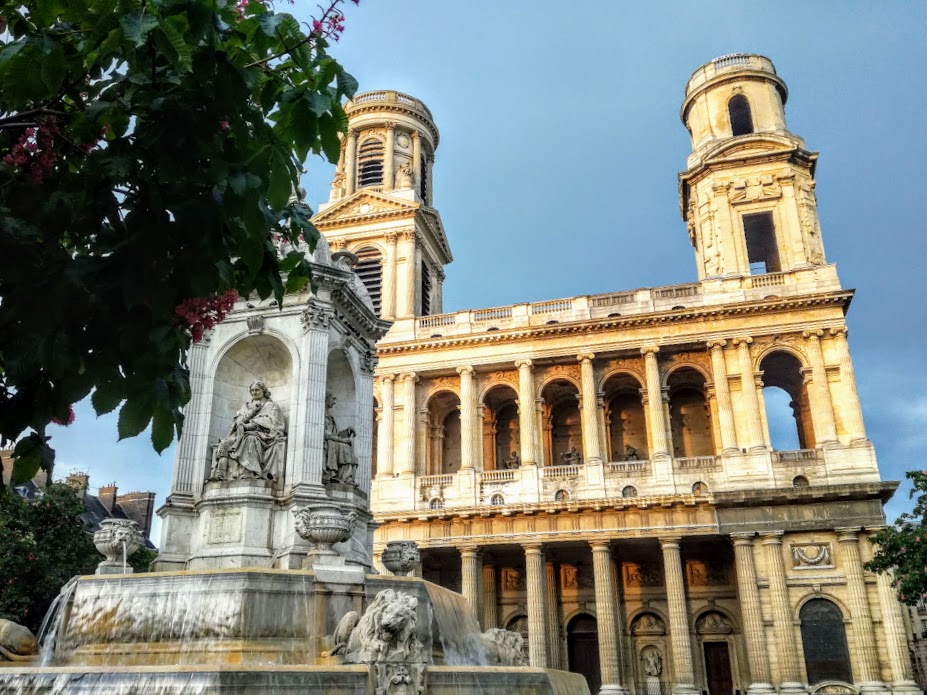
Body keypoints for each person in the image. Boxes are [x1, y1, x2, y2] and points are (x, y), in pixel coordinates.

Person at [210, 380, 286, 482]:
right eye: (252, 390)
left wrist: (251, 426)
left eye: (257, 390)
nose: (254, 392)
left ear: (263, 391)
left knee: (250, 439)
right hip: (242, 433)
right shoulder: (246, 406)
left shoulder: (271, 406)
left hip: (263, 435)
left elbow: (273, 423)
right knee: (225, 443)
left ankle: (250, 472)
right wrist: (252, 411)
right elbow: (238, 422)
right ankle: (220, 474)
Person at [324, 392, 357, 485]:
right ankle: (344, 477)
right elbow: (327, 434)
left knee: (347, 446)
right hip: (328, 442)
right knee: (344, 446)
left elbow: (335, 434)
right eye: (333, 398)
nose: (334, 402)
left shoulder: (330, 418)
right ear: (326, 400)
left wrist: (346, 432)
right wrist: (341, 440)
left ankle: (345, 477)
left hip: (333, 441)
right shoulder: (322, 416)